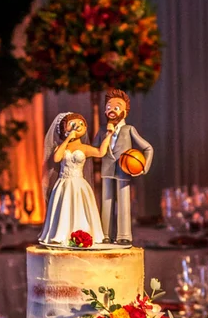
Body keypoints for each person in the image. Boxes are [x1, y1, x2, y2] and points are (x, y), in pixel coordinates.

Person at [39, 112, 113, 246]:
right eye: (72, 124)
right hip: (64, 184)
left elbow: (100, 152)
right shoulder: (62, 147)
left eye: (81, 124)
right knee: (64, 208)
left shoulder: (84, 148)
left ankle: (82, 235)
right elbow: (57, 158)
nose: (77, 126)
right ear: (64, 129)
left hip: (79, 184)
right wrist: (67, 139)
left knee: (80, 208)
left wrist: (109, 135)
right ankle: (61, 234)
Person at [93, 89, 153, 245]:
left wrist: (142, 168)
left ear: (125, 112)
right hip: (106, 170)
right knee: (106, 202)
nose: (111, 110)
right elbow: (93, 149)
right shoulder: (101, 130)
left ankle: (123, 235)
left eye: (117, 107)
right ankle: (105, 234)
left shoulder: (129, 130)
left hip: (124, 170)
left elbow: (148, 148)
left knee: (124, 203)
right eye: (108, 107)